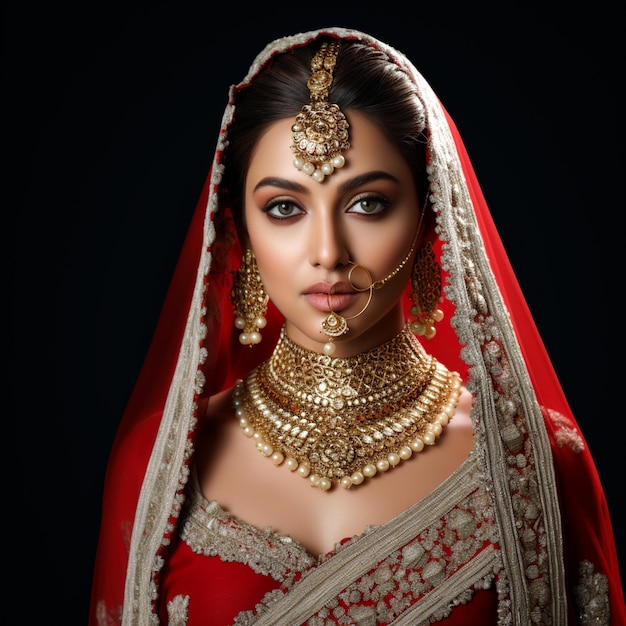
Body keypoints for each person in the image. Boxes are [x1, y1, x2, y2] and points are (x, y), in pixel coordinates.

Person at [88, 27, 625, 625]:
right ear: (239, 229)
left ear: (429, 217)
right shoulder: (163, 464)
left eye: (367, 202)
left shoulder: (535, 461)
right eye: (285, 208)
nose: (327, 251)